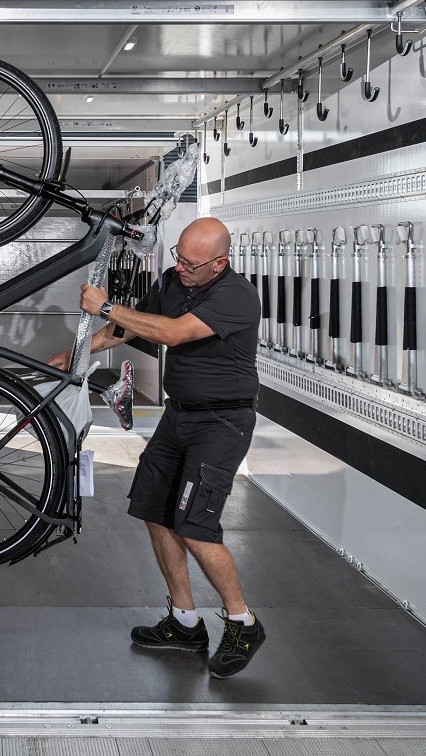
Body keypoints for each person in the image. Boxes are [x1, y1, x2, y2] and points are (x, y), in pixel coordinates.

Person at [47, 216, 265, 679]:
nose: (180, 267)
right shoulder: (173, 281)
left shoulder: (235, 296)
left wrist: (105, 307)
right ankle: (186, 622)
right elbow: (135, 330)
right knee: (154, 507)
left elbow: (172, 333)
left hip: (222, 422)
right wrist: (79, 355)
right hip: (179, 416)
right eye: (178, 258)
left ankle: (243, 622)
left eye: (190, 263)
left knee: (195, 524)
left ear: (219, 263)